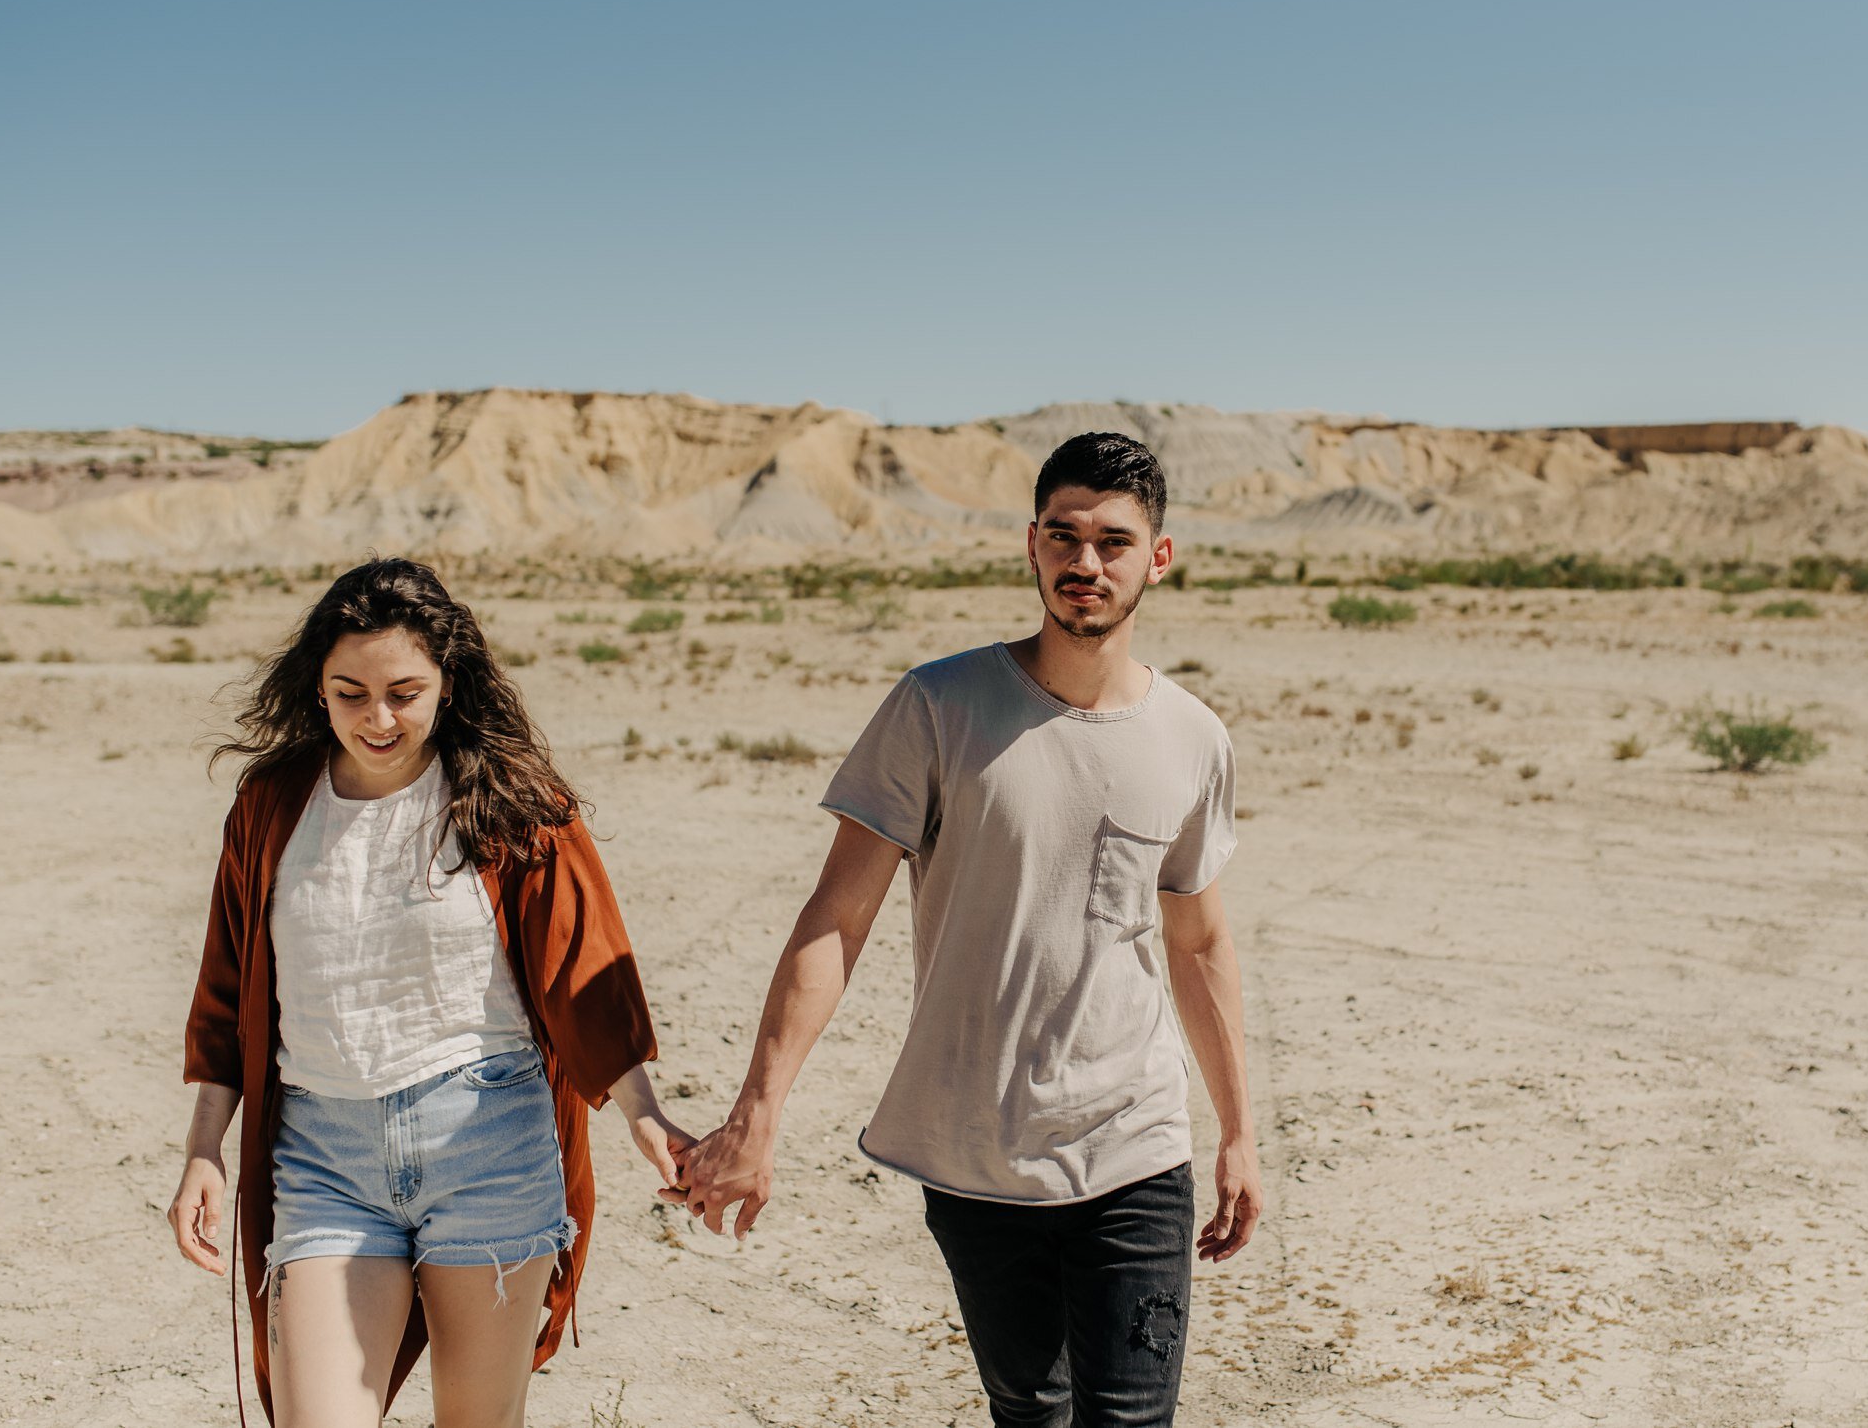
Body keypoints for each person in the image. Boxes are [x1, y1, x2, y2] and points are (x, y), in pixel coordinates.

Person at [678, 432, 1262, 1428]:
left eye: (1115, 542)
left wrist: (1240, 1132)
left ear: (1157, 558)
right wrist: (758, 1111)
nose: (1087, 563)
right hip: (976, 1153)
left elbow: (1199, 940)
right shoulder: (938, 706)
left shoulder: (1193, 737)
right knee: (1029, 1415)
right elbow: (838, 917)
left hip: (1134, 1141)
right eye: (1065, 538)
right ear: (1030, 545)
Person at [166, 557, 691, 1427]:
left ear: (450, 683)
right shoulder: (271, 804)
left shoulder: (513, 803)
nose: (378, 718)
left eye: (404, 691)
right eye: (350, 693)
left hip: (488, 1142)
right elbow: (228, 988)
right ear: (318, 689)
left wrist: (644, 1114)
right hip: (323, 1157)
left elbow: (583, 973)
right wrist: (202, 1151)